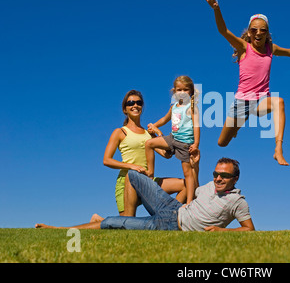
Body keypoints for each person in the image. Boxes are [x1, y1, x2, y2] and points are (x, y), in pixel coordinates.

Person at [203, 0, 290, 166]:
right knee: (222, 142)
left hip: (261, 100)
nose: (258, 33)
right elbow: (223, 31)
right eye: (254, 30)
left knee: (279, 102)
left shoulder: (271, 48)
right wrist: (216, 8)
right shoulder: (243, 47)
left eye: (262, 30)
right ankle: (238, 125)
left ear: (267, 33)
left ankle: (278, 149)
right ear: (248, 33)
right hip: (241, 102)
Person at [35, 153, 255, 232]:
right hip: (171, 208)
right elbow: (192, 185)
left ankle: (60, 228)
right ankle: (128, 220)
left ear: (235, 179)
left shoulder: (237, 201)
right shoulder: (209, 185)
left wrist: (221, 231)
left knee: (113, 222)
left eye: (223, 176)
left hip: (169, 226)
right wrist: (194, 164)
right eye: (216, 173)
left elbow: (249, 230)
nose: (218, 178)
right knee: (134, 175)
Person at [103, 90, 186, 215]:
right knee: (126, 224)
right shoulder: (120, 132)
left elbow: (166, 155)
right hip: (127, 181)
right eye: (131, 103)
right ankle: (98, 220)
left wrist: (159, 134)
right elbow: (106, 160)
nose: (135, 105)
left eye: (139, 103)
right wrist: (132, 166)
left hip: (148, 180)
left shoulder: (148, 133)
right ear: (125, 109)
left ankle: (170, 217)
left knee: (184, 185)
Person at [145, 76, 200, 204]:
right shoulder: (174, 106)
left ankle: (189, 202)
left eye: (185, 90)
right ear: (174, 91)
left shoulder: (192, 107)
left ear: (191, 91)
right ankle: (150, 173)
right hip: (172, 138)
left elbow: (197, 126)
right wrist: (155, 125)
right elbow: (165, 119)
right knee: (149, 143)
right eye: (179, 90)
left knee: (188, 174)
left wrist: (196, 144)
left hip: (184, 143)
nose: (182, 92)